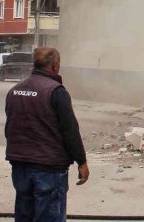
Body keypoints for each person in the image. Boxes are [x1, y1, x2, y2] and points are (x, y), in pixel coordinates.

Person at [5, 47, 89, 222]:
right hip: (48, 169)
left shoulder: (15, 90)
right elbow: (70, 131)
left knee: (24, 216)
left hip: (20, 167)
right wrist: (81, 161)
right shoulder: (56, 91)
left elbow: (10, 128)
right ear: (55, 65)